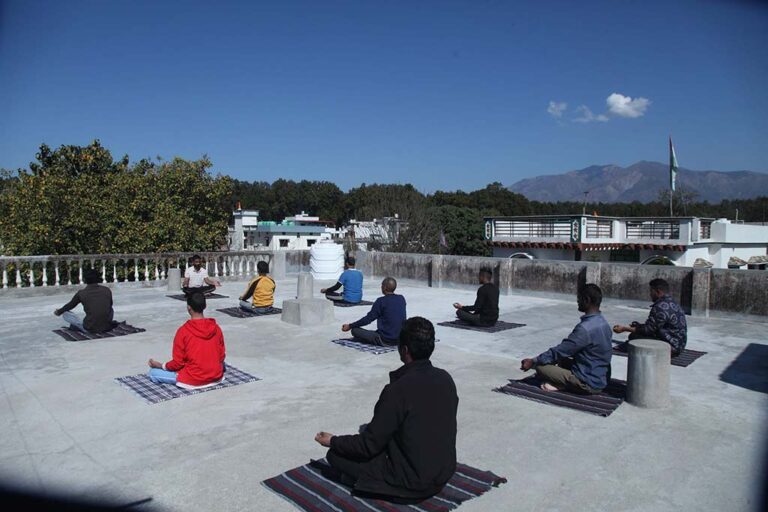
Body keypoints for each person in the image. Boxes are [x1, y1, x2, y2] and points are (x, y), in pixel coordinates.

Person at [315, 317, 458, 503]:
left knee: (335, 456)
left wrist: (333, 441)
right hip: (442, 473)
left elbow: (368, 446)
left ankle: (366, 484)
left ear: (404, 349)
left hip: (412, 483)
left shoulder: (398, 390)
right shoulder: (446, 379)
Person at [520, 284, 612, 393]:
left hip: (588, 383)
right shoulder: (604, 323)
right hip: (601, 377)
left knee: (540, 367)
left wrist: (533, 361)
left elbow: (561, 350)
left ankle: (566, 385)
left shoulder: (585, 329)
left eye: (579, 299)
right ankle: (565, 381)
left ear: (586, 300)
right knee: (561, 360)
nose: (577, 301)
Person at [147, 293, 226, 389]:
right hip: (216, 376)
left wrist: (160, 365)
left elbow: (177, 363)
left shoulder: (183, 331)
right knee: (219, 364)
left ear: (189, 308)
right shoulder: (216, 328)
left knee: (153, 373)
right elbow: (221, 356)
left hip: (193, 380)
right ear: (205, 306)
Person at [612, 278, 688, 356]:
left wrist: (624, 329)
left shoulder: (660, 307)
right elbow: (654, 326)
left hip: (671, 348)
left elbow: (648, 330)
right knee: (637, 333)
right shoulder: (673, 302)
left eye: (651, 291)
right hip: (679, 344)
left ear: (658, 292)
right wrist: (639, 326)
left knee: (634, 336)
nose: (650, 294)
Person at [341, 277, 406, 346]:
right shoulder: (401, 298)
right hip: (399, 339)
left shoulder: (381, 301)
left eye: (382, 285)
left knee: (355, 330)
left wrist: (350, 326)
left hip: (385, 339)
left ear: (384, 287)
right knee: (371, 332)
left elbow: (368, 319)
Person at [53, 268, 114, 334]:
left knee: (66, 313)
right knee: (110, 309)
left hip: (90, 328)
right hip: (107, 327)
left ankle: (87, 327)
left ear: (85, 280)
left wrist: (59, 312)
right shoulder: (107, 290)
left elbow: (69, 306)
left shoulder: (82, 293)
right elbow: (110, 305)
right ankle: (103, 323)